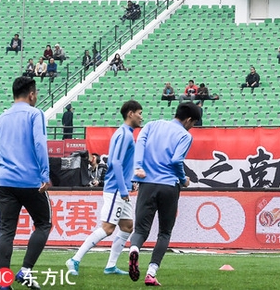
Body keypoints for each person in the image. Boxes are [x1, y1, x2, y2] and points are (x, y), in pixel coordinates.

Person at [127, 101, 202, 286]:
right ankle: (151, 273)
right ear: (189, 120)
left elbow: (140, 145)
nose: (192, 128)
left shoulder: (152, 125)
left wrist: (138, 167)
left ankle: (134, 248)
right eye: (193, 124)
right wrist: (184, 179)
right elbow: (177, 160)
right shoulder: (184, 135)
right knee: (164, 232)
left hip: (147, 183)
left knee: (141, 229)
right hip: (169, 186)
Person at [67, 100, 144, 277]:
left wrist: (128, 181)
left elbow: (121, 163)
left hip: (120, 187)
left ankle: (110, 266)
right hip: (117, 189)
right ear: (130, 113)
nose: (141, 116)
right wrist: (123, 189)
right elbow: (115, 162)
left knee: (127, 227)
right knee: (108, 228)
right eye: (139, 113)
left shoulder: (123, 133)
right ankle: (75, 259)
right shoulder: (124, 134)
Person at [0, 76, 52, 290]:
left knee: (6, 232)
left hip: (6, 182)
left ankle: (4, 285)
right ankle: (25, 270)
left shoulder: (1, 119)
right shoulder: (35, 114)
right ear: (31, 94)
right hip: (31, 181)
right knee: (43, 224)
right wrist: (45, 174)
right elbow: (39, 144)